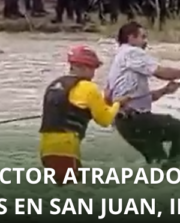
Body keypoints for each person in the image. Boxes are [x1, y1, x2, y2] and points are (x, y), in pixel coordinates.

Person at [105, 21, 180, 170]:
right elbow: (161, 72)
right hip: (138, 121)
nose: (146, 41)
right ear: (131, 38)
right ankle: (173, 175)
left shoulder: (117, 61)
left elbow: (115, 96)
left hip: (125, 125)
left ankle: (165, 182)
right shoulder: (131, 52)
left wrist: (165, 90)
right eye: (143, 37)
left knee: (157, 164)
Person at [39, 45, 129, 184]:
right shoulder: (88, 87)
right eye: (93, 68)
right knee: (71, 193)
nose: (94, 74)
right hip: (65, 149)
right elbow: (105, 120)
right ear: (84, 67)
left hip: (46, 149)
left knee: (66, 189)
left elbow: (72, 107)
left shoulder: (56, 84)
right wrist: (117, 104)